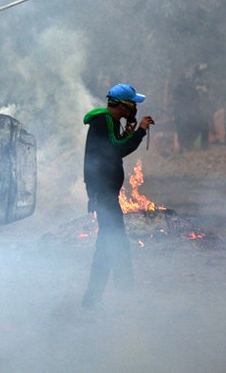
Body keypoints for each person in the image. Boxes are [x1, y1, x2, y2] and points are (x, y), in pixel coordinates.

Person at [81, 83, 154, 308]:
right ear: (122, 106)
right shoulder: (105, 120)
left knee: (112, 242)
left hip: (103, 191)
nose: (134, 108)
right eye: (132, 104)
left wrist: (127, 134)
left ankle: (110, 295)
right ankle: (109, 297)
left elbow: (112, 146)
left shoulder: (108, 122)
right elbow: (117, 149)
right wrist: (140, 131)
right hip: (103, 192)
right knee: (112, 242)